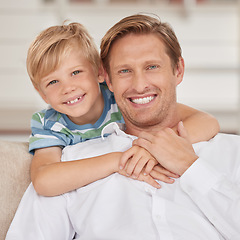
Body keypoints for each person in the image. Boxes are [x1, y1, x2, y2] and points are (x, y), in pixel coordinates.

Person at [6, 14, 240, 240]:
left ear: (177, 70)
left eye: (151, 67)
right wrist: (122, 160)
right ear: (108, 79)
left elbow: (207, 121)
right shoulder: (69, 162)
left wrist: (186, 163)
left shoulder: (231, 152)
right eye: (125, 71)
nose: (139, 85)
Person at [26, 22, 219, 197]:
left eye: (76, 72)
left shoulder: (120, 98)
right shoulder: (49, 123)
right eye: (52, 82)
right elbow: (44, 181)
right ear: (41, 93)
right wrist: (117, 161)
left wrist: (159, 149)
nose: (67, 88)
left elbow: (207, 121)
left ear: (100, 73)